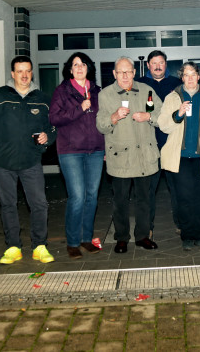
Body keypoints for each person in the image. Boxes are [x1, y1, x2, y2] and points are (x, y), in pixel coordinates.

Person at [0, 56, 57, 265]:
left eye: (28, 71)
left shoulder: (42, 99)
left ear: (32, 73)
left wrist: (48, 137)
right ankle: (13, 247)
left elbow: (55, 125)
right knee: (8, 205)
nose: (24, 75)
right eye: (19, 71)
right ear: (12, 74)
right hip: (3, 163)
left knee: (39, 204)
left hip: (31, 161)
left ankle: (40, 245)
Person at [97, 57, 163, 254]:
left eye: (128, 72)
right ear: (115, 74)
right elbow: (101, 125)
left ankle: (143, 236)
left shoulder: (146, 91)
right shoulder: (106, 95)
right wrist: (114, 117)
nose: (125, 76)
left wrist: (148, 116)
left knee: (145, 199)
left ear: (134, 72)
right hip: (120, 157)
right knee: (120, 201)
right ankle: (122, 238)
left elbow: (161, 115)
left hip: (144, 156)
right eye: (120, 72)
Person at [158, 62, 200, 250]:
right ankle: (187, 236)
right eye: (186, 74)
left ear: (199, 76)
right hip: (180, 158)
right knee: (185, 199)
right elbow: (163, 125)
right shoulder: (172, 97)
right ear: (181, 77)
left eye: (193, 74)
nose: (190, 78)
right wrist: (177, 114)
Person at [49, 52, 105, 259]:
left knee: (92, 196)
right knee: (77, 197)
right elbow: (54, 118)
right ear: (70, 69)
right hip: (71, 151)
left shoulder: (98, 91)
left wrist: (105, 147)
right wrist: (79, 108)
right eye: (75, 65)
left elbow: (104, 120)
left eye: (83, 64)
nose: (79, 67)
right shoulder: (62, 91)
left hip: (96, 150)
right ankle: (72, 242)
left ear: (89, 68)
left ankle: (86, 239)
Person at [136, 50, 182, 239]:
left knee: (178, 188)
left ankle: (182, 224)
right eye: (154, 63)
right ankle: (147, 227)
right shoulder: (139, 84)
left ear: (166, 64)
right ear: (148, 65)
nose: (157, 66)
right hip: (149, 144)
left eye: (161, 62)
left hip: (172, 144)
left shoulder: (177, 84)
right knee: (148, 190)